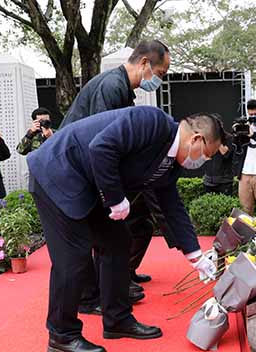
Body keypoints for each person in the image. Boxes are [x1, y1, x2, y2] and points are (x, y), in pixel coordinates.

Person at [28, 106, 221, 352]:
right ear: (196, 139)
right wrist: (116, 199)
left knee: (118, 241)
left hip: (90, 184)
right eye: (206, 155)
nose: (203, 162)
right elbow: (101, 148)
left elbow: (171, 205)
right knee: (73, 257)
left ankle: (117, 319)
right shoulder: (150, 121)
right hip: (59, 172)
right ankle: (62, 335)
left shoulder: (171, 162)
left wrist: (195, 255)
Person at [59, 39, 172, 315]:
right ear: (144, 63)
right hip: (72, 169)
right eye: (161, 74)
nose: (159, 80)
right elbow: (101, 143)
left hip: (81, 167)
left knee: (122, 230)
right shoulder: (111, 87)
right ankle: (90, 297)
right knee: (99, 234)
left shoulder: (120, 87)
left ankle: (114, 284)